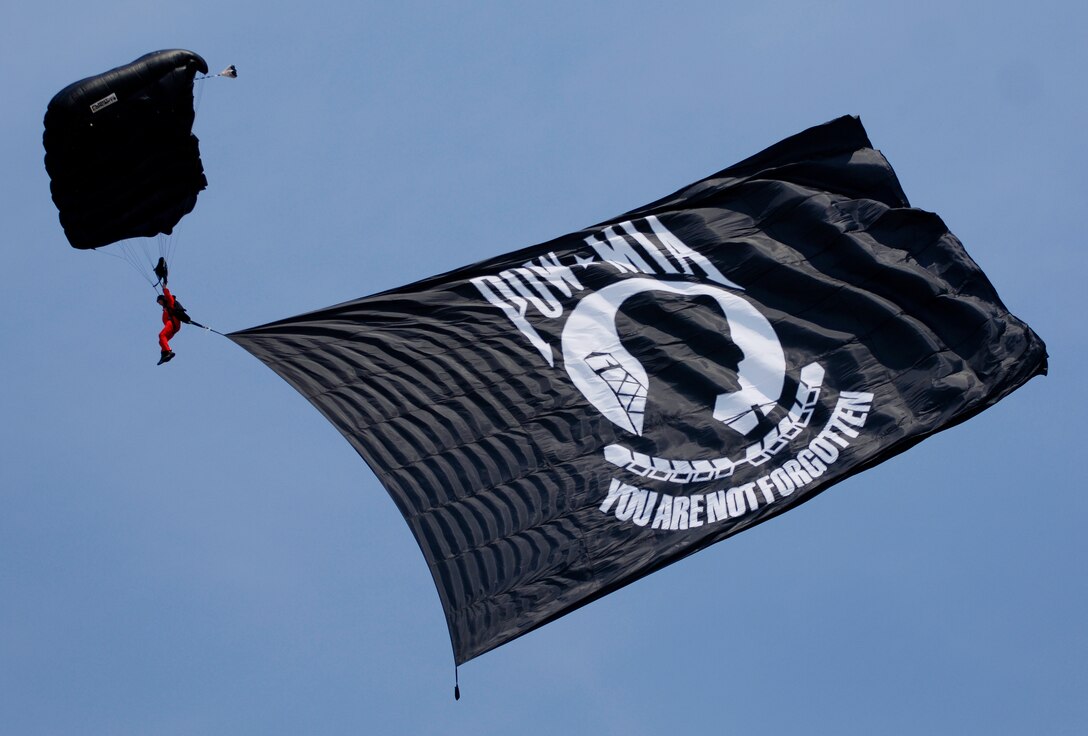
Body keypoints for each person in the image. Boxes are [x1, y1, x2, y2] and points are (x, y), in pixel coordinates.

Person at [156, 287, 192, 365]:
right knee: (161, 340)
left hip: (173, 323)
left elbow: (168, 296)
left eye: (159, 302)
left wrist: (164, 288)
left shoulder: (170, 303)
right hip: (173, 327)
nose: (159, 304)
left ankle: (168, 352)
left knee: (161, 335)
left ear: (162, 299)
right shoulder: (165, 309)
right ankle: (164, 354)